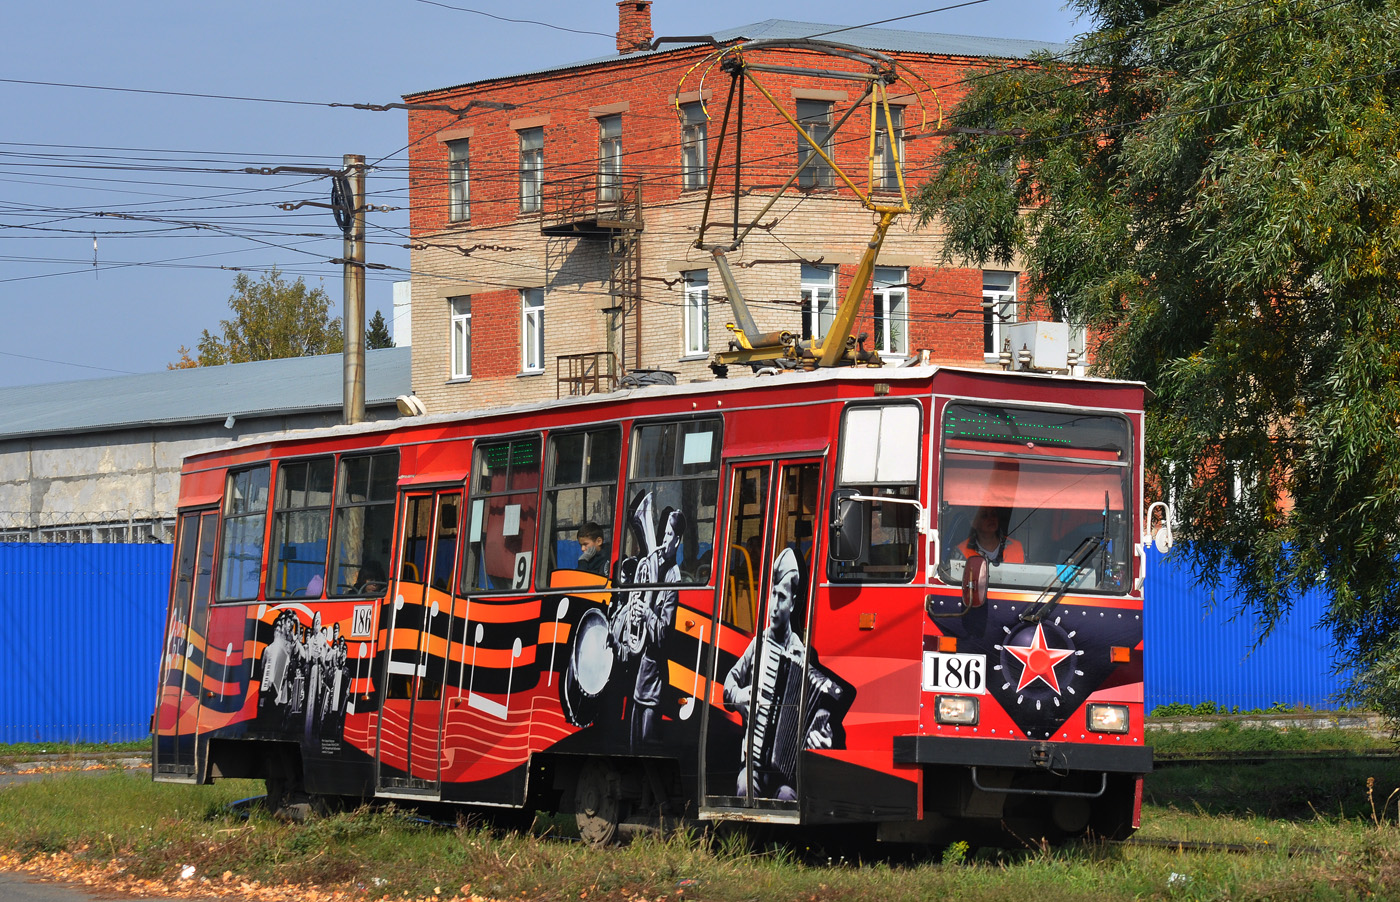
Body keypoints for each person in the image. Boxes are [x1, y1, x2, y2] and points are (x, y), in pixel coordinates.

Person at [722, 547, 841, 800]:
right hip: (752, 763)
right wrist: (741, 696)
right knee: (744, 788)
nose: (774, 606)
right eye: (772, 595)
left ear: (793, 602)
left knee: (789, 798)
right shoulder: (759, 644)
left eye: (782, 597)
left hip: (785, 775)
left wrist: (823, 737)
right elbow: (728, 684)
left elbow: (818, 715)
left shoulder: (803, 655)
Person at [611, 494, 683, 749]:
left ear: (678, 540)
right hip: (639, 677)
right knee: (632, 749)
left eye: (669, 537)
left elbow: (664, 633)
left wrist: (645, 614)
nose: (663, 542)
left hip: (653, 684)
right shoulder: (654, 567)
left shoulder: (674, 579)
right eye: (662, 536)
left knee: (646, 749)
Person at [955, 506, 1024, 565]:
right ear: (974, 523)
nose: (991, 518)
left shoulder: (1017, 546)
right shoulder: (961, 551)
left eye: (993, 514)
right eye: (984, 515)